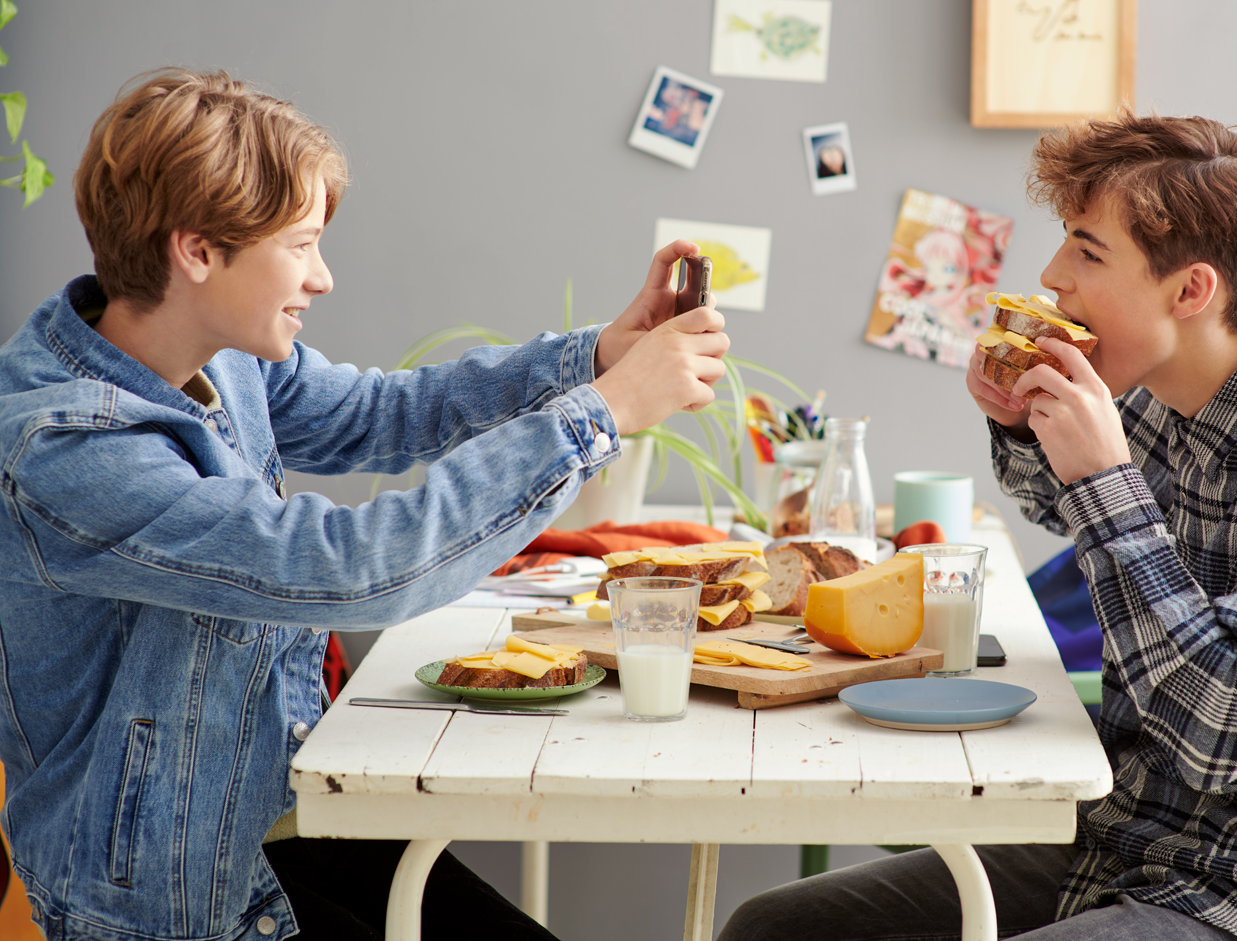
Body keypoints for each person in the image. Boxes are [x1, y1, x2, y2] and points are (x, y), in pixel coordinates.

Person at [0, 68, 729, 941]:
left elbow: (384, 413)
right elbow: (349, 570)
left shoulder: (208, 346)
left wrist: (597, 358)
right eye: (301, 245)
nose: (323, 278)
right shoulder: (67, 451)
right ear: (197, 251)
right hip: (169, 899)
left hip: (270, 816)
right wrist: (603, 415)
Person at [718, 113, 1237, 941]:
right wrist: (1020, 424)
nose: (1051, 274)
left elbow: (1223, 731)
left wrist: (1107, 484)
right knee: (774, 929)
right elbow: (1051, 503)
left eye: (1087, 251)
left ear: (1191, 291)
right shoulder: (1159, 380)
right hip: (1124, 835)